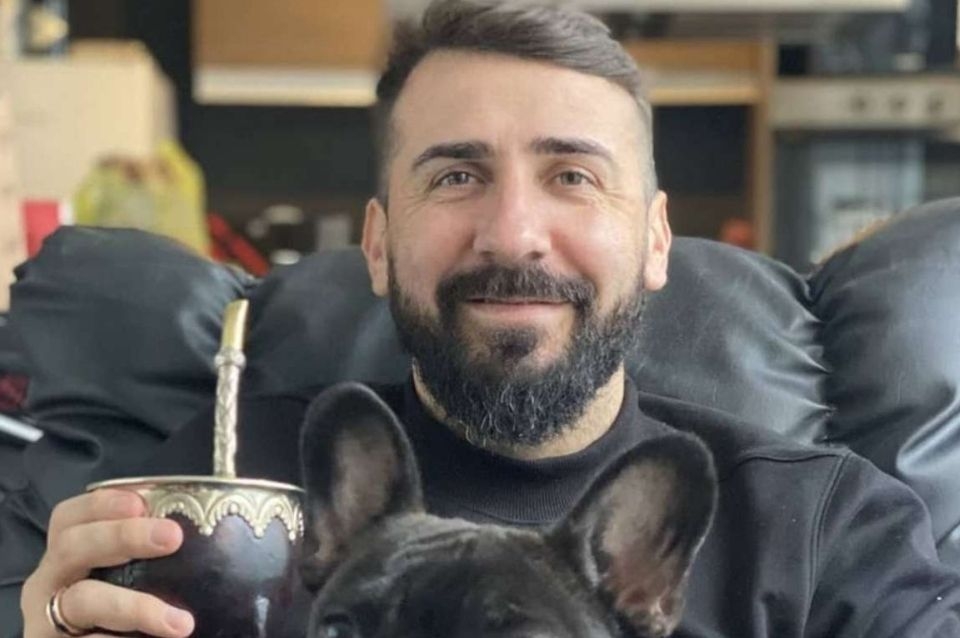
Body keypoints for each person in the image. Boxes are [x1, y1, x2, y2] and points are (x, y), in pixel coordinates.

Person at [16, 1, 960, 636]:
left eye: (572, 176)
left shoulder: (824, 528)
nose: (512, 233)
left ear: (655, 239)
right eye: (456, 175)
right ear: (378, 243)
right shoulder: (229, 479)